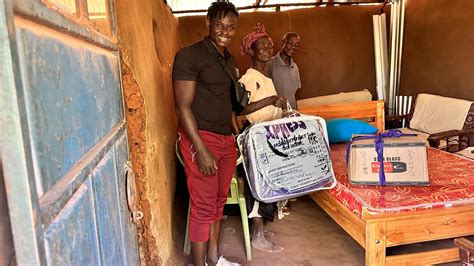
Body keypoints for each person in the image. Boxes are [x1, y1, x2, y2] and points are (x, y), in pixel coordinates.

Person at [172, 2, 241, 266]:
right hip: (201, 138)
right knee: (203, 206)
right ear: (208, 23)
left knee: (219, 202)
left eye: (231, 27)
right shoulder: (189, 56)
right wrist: (200, 148)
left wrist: (235, 139)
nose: (225, 31)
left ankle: (214, 258)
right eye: (220, 25)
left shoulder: (228, 60)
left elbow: (229, 105)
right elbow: (182, 106)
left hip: (225, 141)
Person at [238, 22, 287, 253]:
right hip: (257, 138)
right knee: (258, 186)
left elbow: (269, 107)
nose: (268, 49)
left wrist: (283, 111)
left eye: (270, 45)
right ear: (252, 51)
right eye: (263, 46)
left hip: (269, 137)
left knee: (270, 184)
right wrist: (271, 101)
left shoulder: (266, 78)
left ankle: (261, 230)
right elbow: (241, 109)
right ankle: (257, 235)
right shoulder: (249, 78)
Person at [268, 32, 302, 110]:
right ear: (283, 42)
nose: (293, 47)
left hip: (292, 113)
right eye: (290, 43)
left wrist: (296, 112)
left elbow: (295, 94)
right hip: (276, 114)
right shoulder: (270, 64)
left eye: (296, 45)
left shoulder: (295, 67)